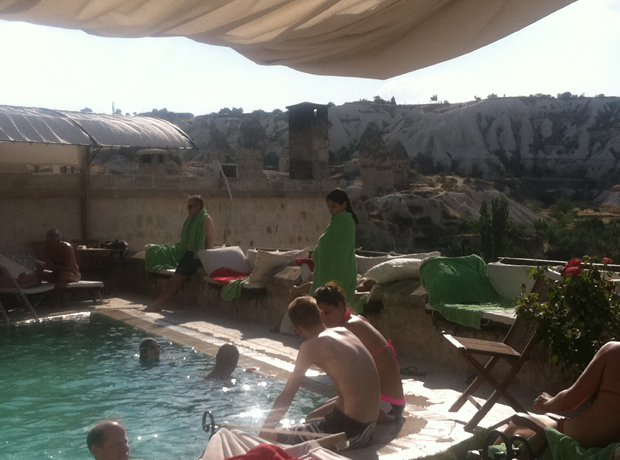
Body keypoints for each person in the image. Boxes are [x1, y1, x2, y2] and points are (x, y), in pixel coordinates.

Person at [260, 296, 380, 449]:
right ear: (321, 316)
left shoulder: (310, 346)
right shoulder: (344, 331)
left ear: (297, 328)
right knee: (311, 419)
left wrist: (262, 433)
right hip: (369, 426)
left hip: (350, 433)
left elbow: (287, 396)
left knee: (271, 437)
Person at [313, 283, 405, 423]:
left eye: (328, 312)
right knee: (317, 414)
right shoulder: (354, 320)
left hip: (387, 406)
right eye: (320, 314)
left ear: (340, 306)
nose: (324, 319)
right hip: (392, 403)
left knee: (314, 418)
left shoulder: (350, 329)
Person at [503, 341, 620, 448]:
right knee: (550, 416)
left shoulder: (614, 351)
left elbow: (568, 402)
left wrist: (546, 403)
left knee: (517, 424)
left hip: (580, 439)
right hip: (614, 447)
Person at [290, 188, 359, 310]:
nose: (331, 210)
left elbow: (335, 245)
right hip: (333, 268)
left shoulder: (344, 221)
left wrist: (318, 254)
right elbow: (327, 242)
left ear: (344, 205)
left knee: (335, 301)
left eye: (334, 206)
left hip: (340, 268)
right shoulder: (338, 221)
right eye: (329, 207)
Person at [145, 195, 216, 312]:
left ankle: (160, 304)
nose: (188, 209)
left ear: (199, 206)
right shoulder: (192, 220)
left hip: (196, 256)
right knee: (173, 279)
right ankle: (159, 301)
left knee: (178, 279)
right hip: (188, 254)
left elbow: (210, 240)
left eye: (191, 206)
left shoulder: (206, 219)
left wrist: (209, 262)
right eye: (188, 207)